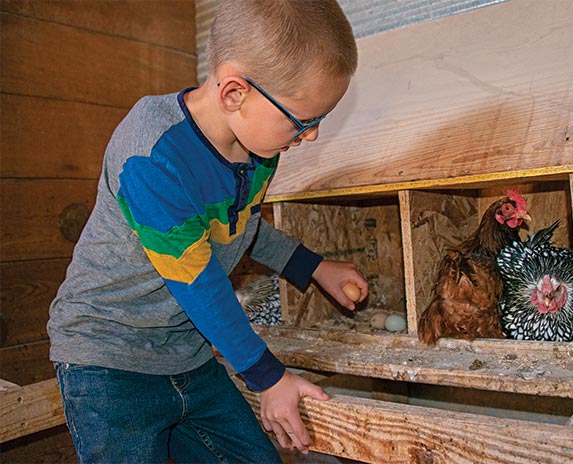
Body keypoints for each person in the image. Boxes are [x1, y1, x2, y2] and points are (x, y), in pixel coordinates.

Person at [47, 1, 364, 462]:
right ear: (235, 93)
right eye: (302, 121)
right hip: (109, 358)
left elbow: (238, 228)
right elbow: (198, 281)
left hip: (186, 352)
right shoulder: (151, 156)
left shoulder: (258, 149)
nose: (310, 136)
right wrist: (268, 378)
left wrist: (313, 267)